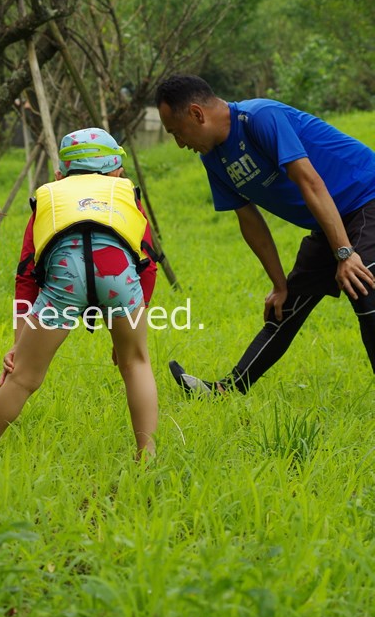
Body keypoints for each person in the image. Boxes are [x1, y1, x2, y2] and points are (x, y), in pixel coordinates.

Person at [155, 74, 375, 394]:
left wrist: (344, 252)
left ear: (196, 114)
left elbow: (309, 182)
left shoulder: (260, 118)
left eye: (176, 132)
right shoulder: (213, 159)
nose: (179, 143)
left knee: (363, 284)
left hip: (366, 197)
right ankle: (228, 389)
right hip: (328, 220)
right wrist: (279, 284)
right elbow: (250, 222)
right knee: (284, 307)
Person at [0, 128, 158, 459]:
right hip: (117, 274)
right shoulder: (124, 194)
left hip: (64, 277)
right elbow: (147, 264)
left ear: (60, 174)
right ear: (117, 172)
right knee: (136, 364)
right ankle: (147, 456)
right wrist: (134, 322)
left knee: (23, 378)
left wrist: (19, 344)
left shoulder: (49, 198)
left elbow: (27, 275)